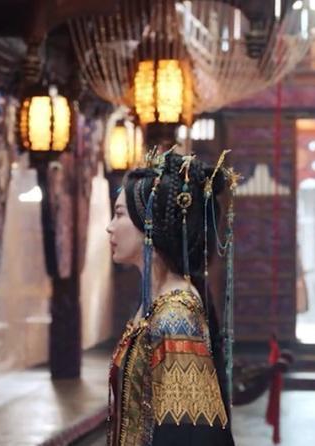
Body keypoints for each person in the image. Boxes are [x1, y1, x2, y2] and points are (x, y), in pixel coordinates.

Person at [105, 149, 236, 445]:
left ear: (149, 224)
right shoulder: (155, 302)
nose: (110, 226)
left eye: (119, 214)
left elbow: (187, 430)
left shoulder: (176, 315)